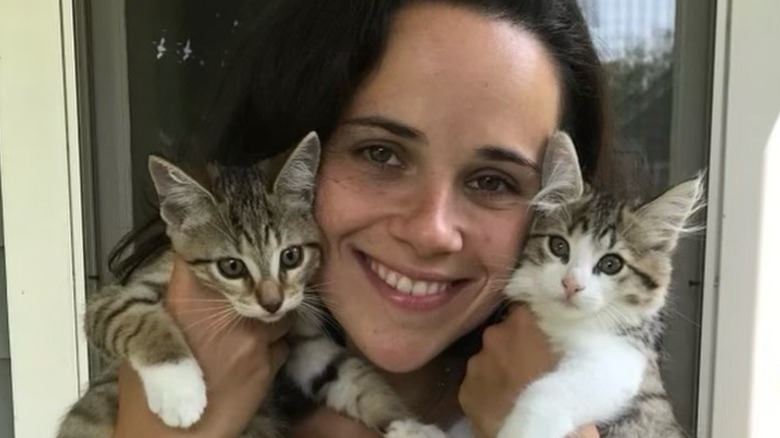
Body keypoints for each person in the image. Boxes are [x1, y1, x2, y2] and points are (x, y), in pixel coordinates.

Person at [111, 0, 621, 436]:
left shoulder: (614, 409)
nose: (430, 231)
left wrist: (556, 415)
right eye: (381, 153)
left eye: (493, 181)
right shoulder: (143, 377)